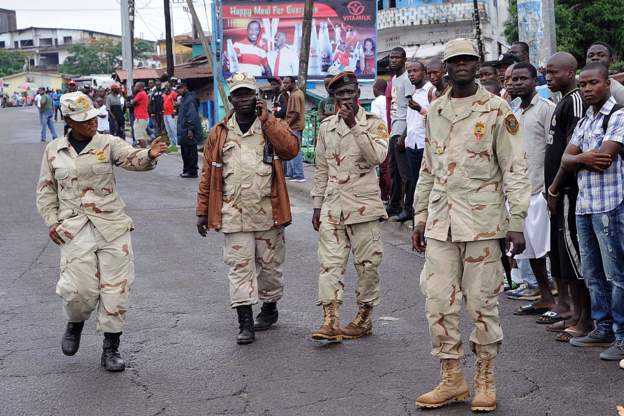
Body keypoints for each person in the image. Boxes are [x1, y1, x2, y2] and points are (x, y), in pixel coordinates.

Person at [412, 39, 530, 412]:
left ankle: (484, 377)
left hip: (482, 223)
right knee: (437, 303)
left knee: (482, 304)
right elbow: (428, 168)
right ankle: (452, 378)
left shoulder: (496, 110)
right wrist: (419, 216)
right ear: (446, 68)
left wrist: (517, 222)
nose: (461, 65)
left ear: (477, 65)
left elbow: (515, 168)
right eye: (454, 60)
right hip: (440, 223)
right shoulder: (435, 111)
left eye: (467, 59)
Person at [35, 91, 167, 372]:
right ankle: (75, 322)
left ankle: (111, 348)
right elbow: (46, 191)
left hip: (112, 226)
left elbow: (131, 157)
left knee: (116, 289)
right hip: (73, 228)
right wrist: (52, 222)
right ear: (69, 120)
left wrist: (148, 155)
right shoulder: (54, 150)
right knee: (79, 291)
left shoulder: (107, 143)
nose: (92, 123)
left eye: (93, 117)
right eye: (84, 120)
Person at [196, 72, 299, 344]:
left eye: (248, 94)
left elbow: (290, 150)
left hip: (268, 213)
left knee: (270, 269)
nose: (244, 99)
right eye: (238, 94)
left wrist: (268, 120)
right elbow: (207, 174)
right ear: (230, 99)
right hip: (233, 214)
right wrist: (202, 211)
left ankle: (269, 307)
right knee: (239, 267)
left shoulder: (270, 125)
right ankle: (244, 322)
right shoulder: (219, 132)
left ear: (257, 96)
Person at [549, 62, 624, 360]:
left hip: (611, 205)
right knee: (592, 273)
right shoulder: (585, 122)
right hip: (586, 206)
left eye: (594, 83)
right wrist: (581, 159)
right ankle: (602, 327)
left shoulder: (617, 116)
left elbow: (605, 157)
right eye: (584, 85)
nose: (588, 89)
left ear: (607, 84)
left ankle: (621, 335)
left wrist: (579, 158)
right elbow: (566, 159)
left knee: (616, 274)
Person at [310, 71, 389, 342]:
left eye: (351, 92)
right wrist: (317, 205)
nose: (346, 98)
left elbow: (377, 157)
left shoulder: (374, 124)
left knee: (367, 265)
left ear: (359, 93)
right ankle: (330, 320)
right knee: (329, 264)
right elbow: (321, 169)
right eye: (340, 94)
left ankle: (364, 317)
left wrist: (355, 125)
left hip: (363, 206)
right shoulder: (325, 127)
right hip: (333, 206)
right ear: (333, 98)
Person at [542, 52, 593, 337]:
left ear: (570, 72)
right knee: (563, 256)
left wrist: (555, 188)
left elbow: (572, 149)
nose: (549, 77)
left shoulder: (574, 101)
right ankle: (575, 313)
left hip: (568, 192)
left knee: (575, 257)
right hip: (557, 193)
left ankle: (586, 320)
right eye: (546, 72)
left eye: (554, 72)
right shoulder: (563, 101)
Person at [509, 62, 557, 318]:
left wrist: (551, 190)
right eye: (513, 79)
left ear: (533, 80)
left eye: (522, 79)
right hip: (520, 191)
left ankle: (560, 302)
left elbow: (554, 149)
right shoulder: (515, 111)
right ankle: (544, 297)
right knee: (530, 249)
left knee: (548, 249)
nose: (516, 83)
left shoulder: (546, 109)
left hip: (541, 189)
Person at [397, 59, 431, 223]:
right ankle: (411, 211)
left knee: (424, 180)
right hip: (412, 142)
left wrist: (420, 109)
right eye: (409, 71)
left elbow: (434, 116)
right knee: (411, 179)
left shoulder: (430, 91)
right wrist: (403, 138)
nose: (411, 74)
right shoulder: (413, 93)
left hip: (425, 143)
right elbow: (410, 120)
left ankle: (422, 214)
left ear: (424, 72)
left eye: (415, 71)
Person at [387, 47, 413, 218]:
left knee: (406, 174)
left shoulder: (407, 79)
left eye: (397, 57)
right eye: (391, 57)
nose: (393, 60)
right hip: (394, 129)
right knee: (393, 170)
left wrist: (404, 134)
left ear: (404, 59)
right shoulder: (395, 79)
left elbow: (412, 108)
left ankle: (408, 209)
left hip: (403, 130)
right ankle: (394, 204)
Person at [176, 80, 204, 178]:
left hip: (189, 129)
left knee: (190, 151)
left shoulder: (190, 99)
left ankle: (192, 171)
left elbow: (192, 115)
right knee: (185, 150)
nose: (177, 91)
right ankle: (186, 169)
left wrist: (190, 129)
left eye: (179, 88)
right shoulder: (184, 98)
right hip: (184, 129)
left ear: (184, 87)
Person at [282, 76, 305, 182]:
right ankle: (291, 173)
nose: (284, 85)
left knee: (295, 150)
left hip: (294, 126)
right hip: (293, 126)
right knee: (291, 149)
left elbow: (295, 112)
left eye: (287, 83)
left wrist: (287, 125)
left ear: (292, 83)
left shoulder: (295, 95)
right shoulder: (294, 93)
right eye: (284, 83)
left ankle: (298, 174)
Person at [371, 79, 390, 203]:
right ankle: (385, 195)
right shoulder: (388, 99)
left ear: (376, 89)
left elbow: (374, 121)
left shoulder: (376, 102)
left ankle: (386, 195)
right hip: (391, 135)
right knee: (388, 168)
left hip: (381, 137)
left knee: (384, 168)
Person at [130, 82, 150, 147]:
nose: (135, 88)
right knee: (143, 135)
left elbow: (132, 103)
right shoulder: (142, 93)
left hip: (140, 117)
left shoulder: (140, 94)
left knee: (140, 137)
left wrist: (133, 102)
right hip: (142, 117)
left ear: (140, 87)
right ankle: (146, 151)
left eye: (136, 86)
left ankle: (144, 150)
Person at [162, 83, 178, 150]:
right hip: (165, 114)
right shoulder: (165, 95)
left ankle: (177, 144)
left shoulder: (173, 93)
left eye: (167, 86)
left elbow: (176, 103)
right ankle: (172, 143)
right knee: (168, 130)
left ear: (170, 87)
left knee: (173, 129)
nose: (166, 88)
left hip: (171, 114)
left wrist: (174, 111)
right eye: (165, 87)